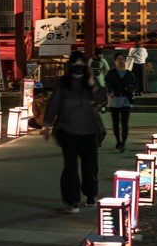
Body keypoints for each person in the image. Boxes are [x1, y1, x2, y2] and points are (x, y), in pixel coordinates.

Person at [43, 51, 107, 213]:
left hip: (89, 129)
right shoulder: (63, 82)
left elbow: (102, 100)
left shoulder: (90, 81)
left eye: (81, 64)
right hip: (68, 129)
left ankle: (90, 194)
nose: (78, 67)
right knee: (70, 166)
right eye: (75, 64)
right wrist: (47, 123)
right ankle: (71, 201)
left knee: (89, 166)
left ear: (85, 65)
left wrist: (93, 84)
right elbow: (55, 102)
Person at [105, 52, 138, 151]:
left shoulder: (129, 74)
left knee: (124, 122)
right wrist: (110, 91)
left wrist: (128, 88)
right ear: (114, 61)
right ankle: (118, 141)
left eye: (122, 59)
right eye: (118, 59)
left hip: (125, 99)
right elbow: (108, 83)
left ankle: (123, 143)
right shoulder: (111, 73)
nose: (121, 61)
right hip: (114, 99)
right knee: (115, 122)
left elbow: (135, 85)